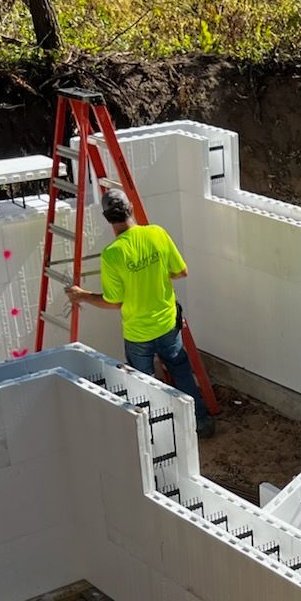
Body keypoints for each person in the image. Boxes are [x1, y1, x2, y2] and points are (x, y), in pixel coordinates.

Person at [66, 188, 215, 438]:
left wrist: (82, 295)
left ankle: (160, 437)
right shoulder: (157, 233)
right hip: (168, 324)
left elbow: (114, 302)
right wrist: (154, 275)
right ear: (131, 208)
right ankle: (201, 422)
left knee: (144, 386)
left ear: (107, 219)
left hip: (138, 333)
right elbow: (181, 272)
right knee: (180, 372)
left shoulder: (113, 254)